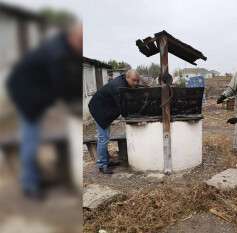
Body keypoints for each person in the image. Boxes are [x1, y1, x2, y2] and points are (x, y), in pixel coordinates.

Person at [6, 23, 83, 200]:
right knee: (30, 138)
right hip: (26, 94)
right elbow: (62, 83)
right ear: (73, 37)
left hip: (38, 92)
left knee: (38, 133)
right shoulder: (57, 52)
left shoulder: (66, 48)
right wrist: (72, 99)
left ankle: (43, 175)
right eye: (80, 42)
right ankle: (30, 184)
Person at [88, 69, 141, 174]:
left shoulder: (124, 81)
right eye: (134, 81)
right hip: (99, 109)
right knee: (103, 138)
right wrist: (131, 116)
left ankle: (106, 161)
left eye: (137, 81)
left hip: (104, 108)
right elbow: (122, 107)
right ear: (127, 78)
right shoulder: (118, 87)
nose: (136, 83)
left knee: (104, 137)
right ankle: (102, 165)